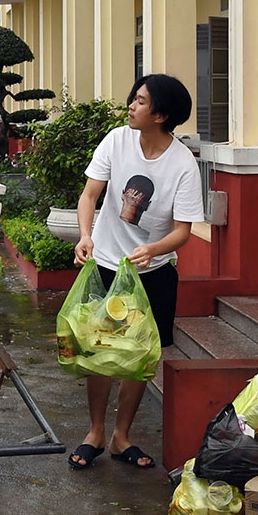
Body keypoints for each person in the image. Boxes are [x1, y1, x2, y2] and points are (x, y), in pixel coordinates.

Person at [67, 73, 204, 471]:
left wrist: (153, 249)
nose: (131, 105)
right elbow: (90, 195)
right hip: (107, 265)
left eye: (141, 101)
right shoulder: (117, 140)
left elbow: (182, 231)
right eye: (135, 98)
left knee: (140, 356)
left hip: (152, 272)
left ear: (160, 115)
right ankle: (95, 432)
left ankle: (120, 436)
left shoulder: (182, 164)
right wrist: (85, 235)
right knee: (100, 352)